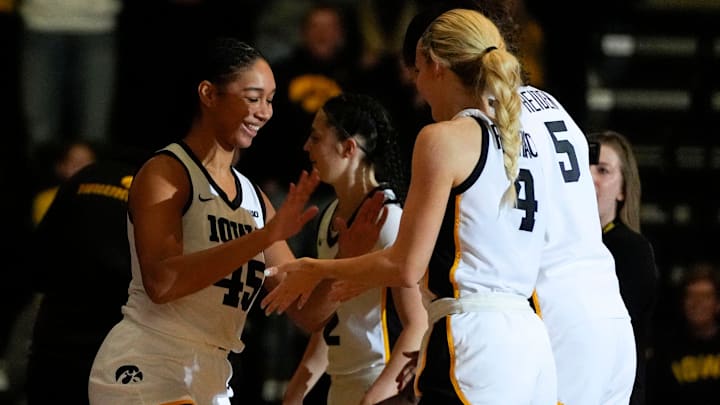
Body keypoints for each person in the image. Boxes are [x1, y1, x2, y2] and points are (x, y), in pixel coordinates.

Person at [262, 9, 557, 404]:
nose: (416, 86)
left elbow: (405, 266)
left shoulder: (442, 139)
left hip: (473, 338)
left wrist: (315, 267)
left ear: (435, 66)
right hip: (530, 339)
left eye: (417, 72)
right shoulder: (530, 134)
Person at [393, 4, 636, 405]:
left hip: (549, 315)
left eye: (418, 72)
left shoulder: (489, 123)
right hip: (607, 309)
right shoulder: (550, 104)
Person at [87, 37, 342, 405]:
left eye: (270, 101)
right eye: (253, 98)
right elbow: (162, 280)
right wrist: (264, 237)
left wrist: (353, 261)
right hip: (149, 360)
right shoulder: (167, 172)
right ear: (208, 93)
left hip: (211, 372)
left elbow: (306, 311)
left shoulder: (254, 198)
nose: (265, 112)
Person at [282, 93, 426, 405]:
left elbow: (418, 324)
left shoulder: (388, 219)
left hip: (385, 385)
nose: (307, 147)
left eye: (316, 137)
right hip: (340, 386)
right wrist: (299, 385)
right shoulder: (328, 218)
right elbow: (331, 314)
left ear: (348, 149)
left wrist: (376, 396)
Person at [25, 147, 148, 405]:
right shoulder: (171, 193)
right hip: (120, 356)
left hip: (55, 349)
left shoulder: (86, 177)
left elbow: (35, 266)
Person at [588, 130, 659, 405]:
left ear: (623, 190)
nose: (591, 178)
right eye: (585, 168)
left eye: (603, 170)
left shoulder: (632, 250)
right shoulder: (562, 244)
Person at [18, 0, 121, 158]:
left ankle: (91, 180)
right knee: (40, 136)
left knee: (94, 135)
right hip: (39, 19)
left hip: (99, 21)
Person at [649, 261, 720, 404]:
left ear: (717, 304)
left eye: (705, 296)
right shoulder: (665, 350)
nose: (697, 303)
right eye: (691, 296)